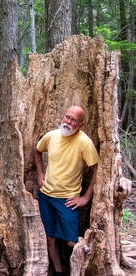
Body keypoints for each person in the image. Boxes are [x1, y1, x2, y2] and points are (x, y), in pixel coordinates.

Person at [34, 106, 100, 276]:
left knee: (72, 242)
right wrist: (40, 172)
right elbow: (37, 150)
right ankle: (58, 271)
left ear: (81, 124)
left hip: (67, 201)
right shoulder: (51, 136)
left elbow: (97, 170)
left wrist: (85, 197)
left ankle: (75, 271)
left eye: (73, 120)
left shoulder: (84, 142)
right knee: (50, 239)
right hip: (46, 196)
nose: (68, 122)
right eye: (67, 117)